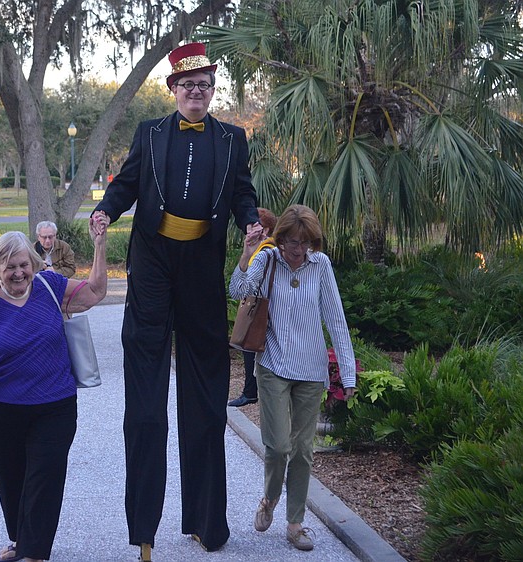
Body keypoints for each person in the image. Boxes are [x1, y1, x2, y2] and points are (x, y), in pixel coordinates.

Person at [91, 42, 261, 559]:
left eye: (204, 85)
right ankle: (144, 528)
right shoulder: (150, 133)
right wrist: (106, 211)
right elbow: (126, 184)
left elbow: (242, 192)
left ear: (212, 91)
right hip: (153, 265)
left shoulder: (232, 139)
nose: (196, 93)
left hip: (202, 267)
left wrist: (249, 222)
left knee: (205, 397)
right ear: (173, 89)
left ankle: (206, 522)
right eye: (188, 85)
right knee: (145, 400)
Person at [0, 220, 107, 562]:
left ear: (33, 264)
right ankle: (22, 541)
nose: (19, 273)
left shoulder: (50, 286)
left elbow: (95, 292)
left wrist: (99, 245)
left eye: (24, 265)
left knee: (44, 477)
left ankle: (34, 553)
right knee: (10, 481)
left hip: (54, 405)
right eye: (10, 267)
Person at [228, 204, 356, 552]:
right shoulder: (268, 259)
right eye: (293, 242)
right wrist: (247, 255)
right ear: (280, 237)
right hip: (273, 365)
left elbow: (336, 320)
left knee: (302, 450)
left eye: (306, 242)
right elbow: (238, 290)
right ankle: (270, 497)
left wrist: (348, 375)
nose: (299, 250)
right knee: (278, 445)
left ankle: (295, 523)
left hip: (311, 370)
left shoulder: (320, 265)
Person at [228, 207, 278, 408]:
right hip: (261, 307)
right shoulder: (262, 249)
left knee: (251, 346)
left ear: (265, 230)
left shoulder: (265, 251)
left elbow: (239, 289)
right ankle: (251, 391)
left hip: (261, 309)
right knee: (250, 348)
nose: (249, 232)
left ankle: (251, 392)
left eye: (256, 227)